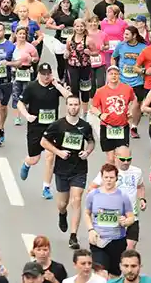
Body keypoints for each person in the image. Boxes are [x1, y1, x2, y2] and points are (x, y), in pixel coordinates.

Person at [41, 96, 96, 250]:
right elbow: (43, 142)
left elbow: (91, 142)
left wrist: (87, 152)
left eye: (76, 105)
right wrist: (58, 152)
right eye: (71, 105)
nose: (73, 107)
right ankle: (62, 214)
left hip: (79, 168)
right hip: (62, 169)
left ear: (79, 106)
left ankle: (73, 236)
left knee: (77, 200)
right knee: (62, 204)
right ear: (66, 106)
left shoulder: (85, 126)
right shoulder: (58, 125)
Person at [18, 63, 72, 200]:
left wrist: (58, 85)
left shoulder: (55, 85)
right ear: (39, 74)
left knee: (50, 157)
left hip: (52, 128)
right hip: (36, 126)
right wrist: (27, 116)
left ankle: (46, 188)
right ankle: (26, 164)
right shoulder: (31, 87)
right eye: (44, 74)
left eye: (49, 74)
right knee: (34, 159)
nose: (47, 76)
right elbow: (20, 103)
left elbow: (70, 97)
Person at [83, 163, 135, 278]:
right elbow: (87, 213)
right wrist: (91, 230)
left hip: (117, 241)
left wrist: (126, 221)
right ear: (102, 178)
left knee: (114, 276)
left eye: (111, 178)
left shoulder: (123, 196)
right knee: (101, 274)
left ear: (116, 178)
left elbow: (131, 217)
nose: (108, 180)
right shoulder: (93, 195)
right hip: (98, 241)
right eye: (106, 177)